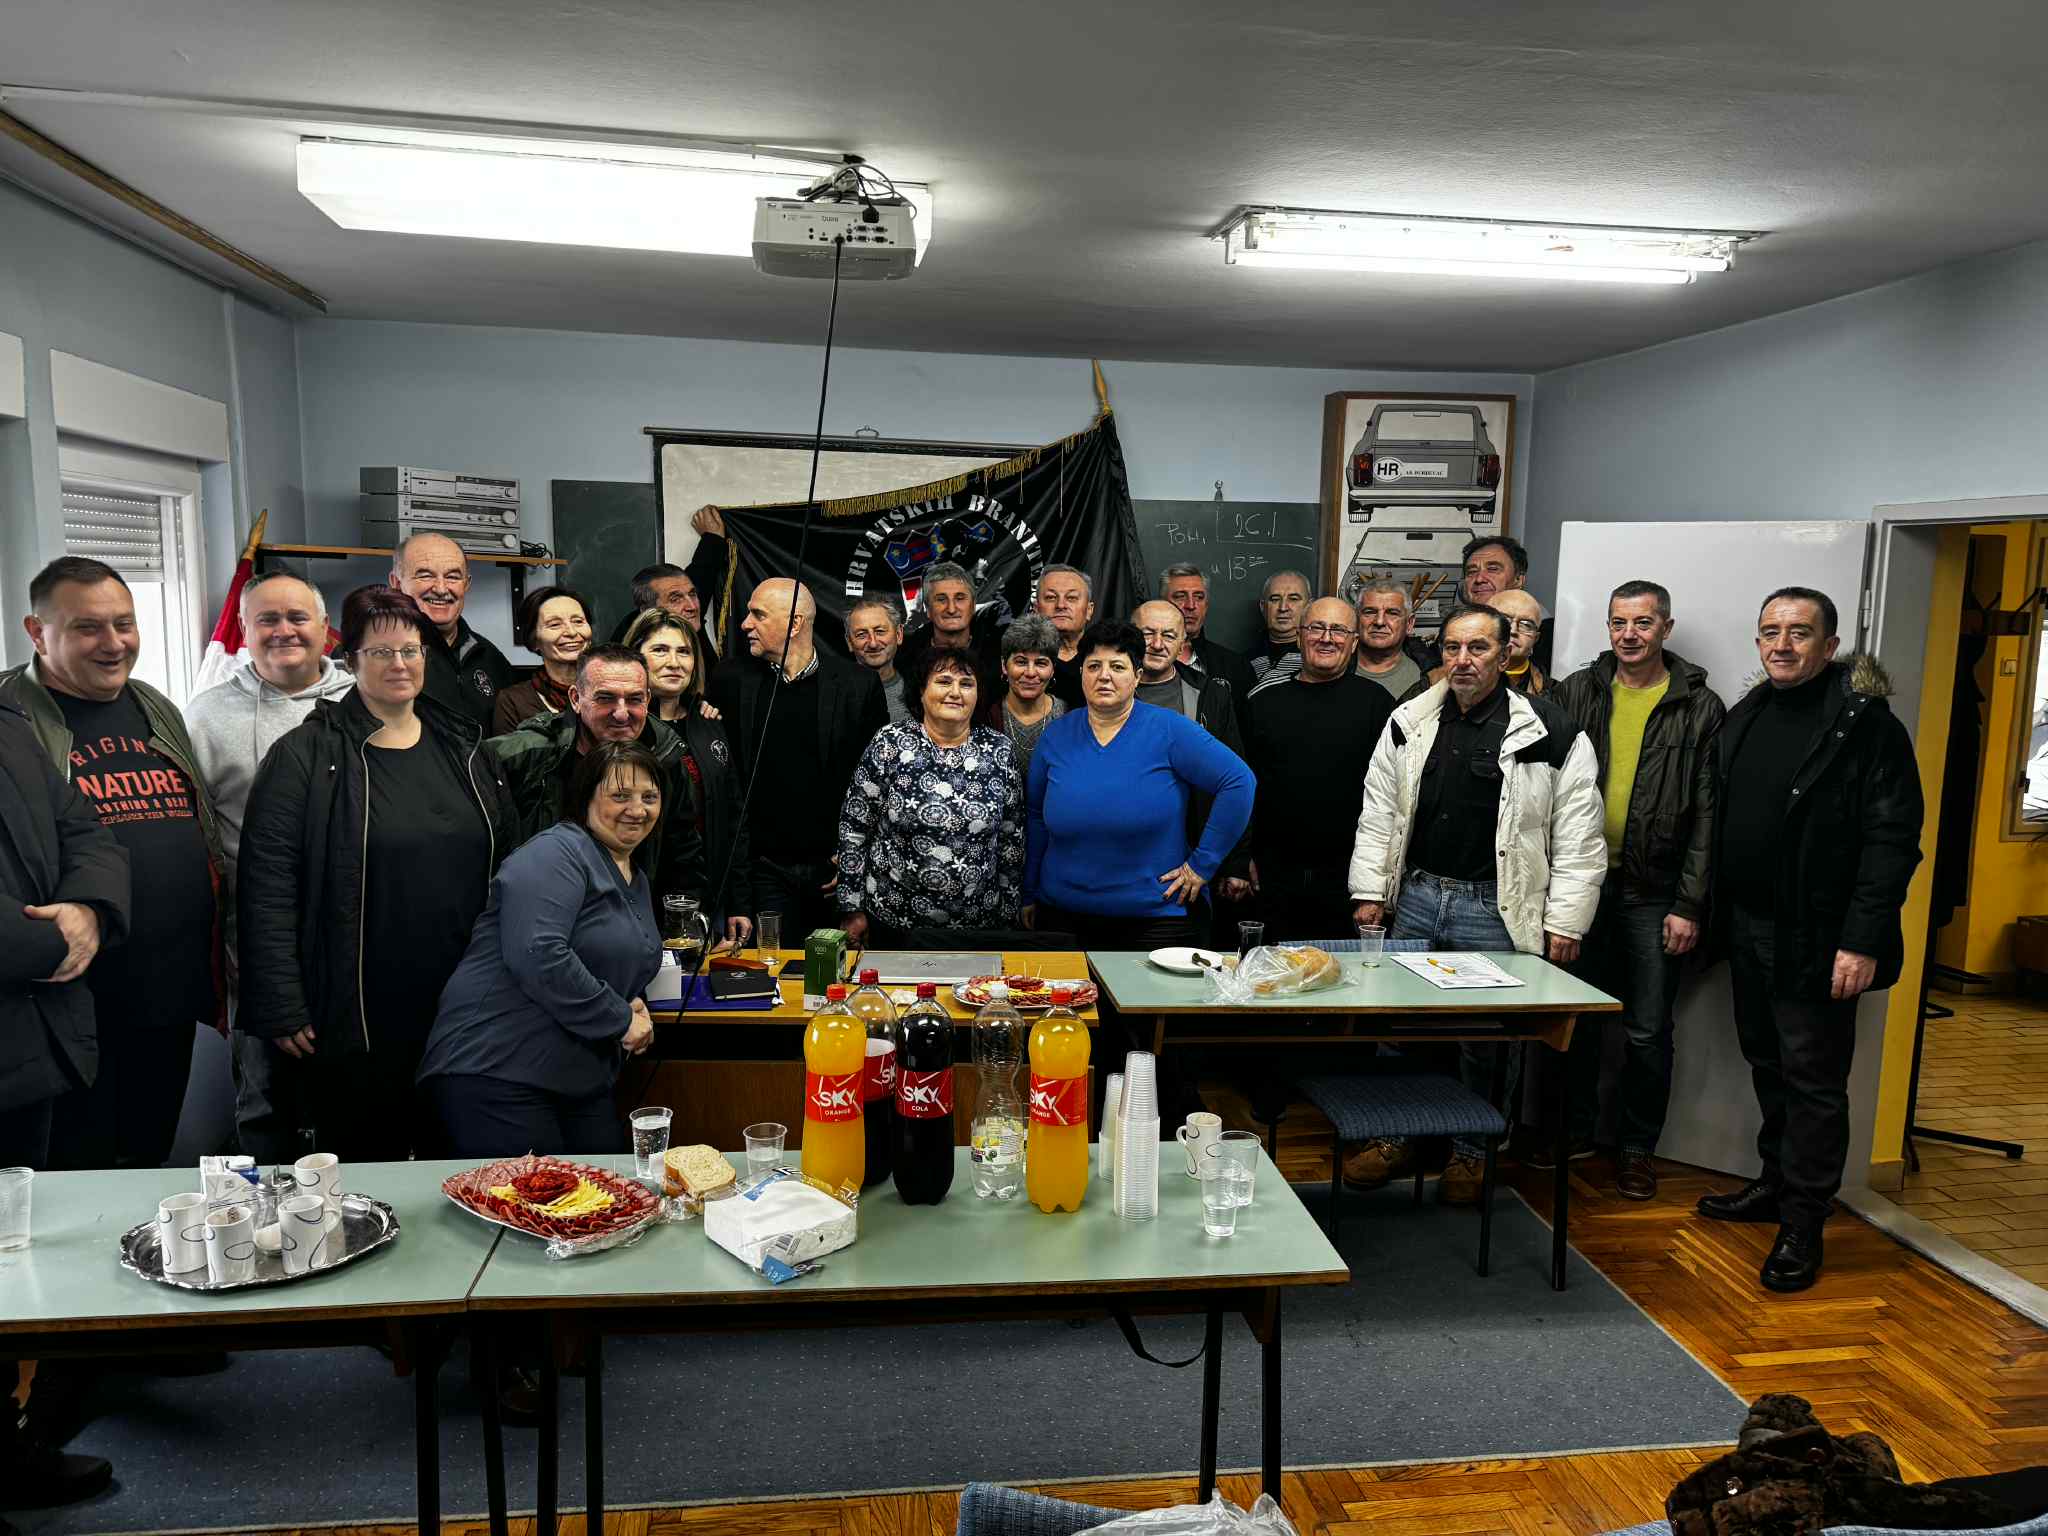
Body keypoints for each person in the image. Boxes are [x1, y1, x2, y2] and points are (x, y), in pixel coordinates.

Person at [237, 587, 518, 1161]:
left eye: (411, 651)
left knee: (459, 1159)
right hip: (358, 1006)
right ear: (349, 660)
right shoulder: (305, 756)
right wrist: (281, 1002)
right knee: (367, 1167)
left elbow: (508, 862)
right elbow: (266, 888)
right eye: (381, 652)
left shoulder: (466, 747)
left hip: (462, 1000)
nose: (400, 664)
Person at [1697, 587, 1922, 1293]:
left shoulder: (1868, 727)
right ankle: (1775, 1184)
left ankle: (1804, 1224)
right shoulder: (1748, 712)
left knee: (1815, 1084)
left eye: (1799, 632)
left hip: (1820, 939)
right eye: (1770, 631)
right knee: (1767, 1062)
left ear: (1830, 646)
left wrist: (1861, 941)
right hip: (1748, 926)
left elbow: (1892, 843)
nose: (1782, 645)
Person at [1347, 604, 1606, 1204]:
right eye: (1452, 648)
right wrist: (1369, 891)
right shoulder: (1409, 719)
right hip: (1416, 897)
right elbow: (1379, 811)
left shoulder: (1552, 731)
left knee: (1485, 1041)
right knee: (1397, 1027)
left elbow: (1579, 835)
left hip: (1493, 908)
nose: (1463, 660)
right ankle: (1394, 1137)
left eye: (1478, 648)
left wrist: (1567, 921)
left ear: (1506, 653)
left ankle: (1472, 1151)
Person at [0, 557, 224, 1170]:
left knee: (148, 1162)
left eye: (124, 624)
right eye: (88, 627)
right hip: (69, 1005)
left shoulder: (154, 704)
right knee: (77, 1175)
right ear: (37, 632)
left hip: (168, 992)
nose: (114, 643)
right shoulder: (11, 718)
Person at [1547, 581, 1725, 1201]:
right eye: (1619, 622)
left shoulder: (1699, 705)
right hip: (1582, 886)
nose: (1629, 634)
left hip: (1656, 893)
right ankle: (1571, 1133)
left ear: (1665, 629)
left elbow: (1709, 814)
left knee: (1647, 1030)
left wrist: (1689, 903)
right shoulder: (1578, 691)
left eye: (1643, 623)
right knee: (1575, 1020)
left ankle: (1636, 1148)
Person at [0, 706, 128, 1514]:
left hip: (28, 1047)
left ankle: (7, 1450)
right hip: (26, 987)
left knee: (7, 1263)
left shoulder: (7, 727)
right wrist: (58, 944)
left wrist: (88, 907)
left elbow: (87, 830)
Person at [417, 740, 662, 1156]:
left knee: (609, 1190)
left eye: (649, 798)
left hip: (577, 1078)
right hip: (497, 1068)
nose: (637, 810)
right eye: (620, 795)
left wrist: (631, 1001)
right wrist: (619, 1018)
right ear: (586, 797)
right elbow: (539, 952)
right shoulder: (555, 852)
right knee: (534, 1197)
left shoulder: (634, 877)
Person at [184, 571, 356, 1163]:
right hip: (257, 937)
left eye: (298, 618)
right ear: (244, 629)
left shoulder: (365, 702)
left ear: (325, 628)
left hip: (354, 937)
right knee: (265, 1100)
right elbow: (199, 836)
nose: (284, 631)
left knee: (357, 1100)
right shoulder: (206, 717)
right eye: (267, 619)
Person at [1025, 619, 1255, 951]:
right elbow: (1035, 816)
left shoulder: (1170, 730)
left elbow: (1239, 782)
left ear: (1137, 676)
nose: (1104, 675)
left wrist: (1202, 865)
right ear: (1081, 673)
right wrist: (1029, 891)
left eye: (1117, 666)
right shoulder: (1056, 736)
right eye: (1094, 666)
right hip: (1061, 916)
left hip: (1155, 919)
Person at [708, 578, 888, 937]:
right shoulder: (729, 680)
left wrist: (854, 861)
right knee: (770, 966)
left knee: (835, 969)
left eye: (758, 615)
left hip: (835, 870)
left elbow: (877, 786)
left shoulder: (858, 685)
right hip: (762, 872)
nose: (745, 624)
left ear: (794, 623)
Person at [489, 644, 708, 912]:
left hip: (633, 918)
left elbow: (683, 855)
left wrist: (680, 922)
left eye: (634, 699)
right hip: (543, 912)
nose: (621, 713)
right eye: (606, 698)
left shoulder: (666, 756)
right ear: (575, 698)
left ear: (648, 700)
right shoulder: (530, 754)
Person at [837, 644, 1023, 946]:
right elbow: (854, 828)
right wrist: (851, 907)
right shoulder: (890, 743)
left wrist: (1010, 913)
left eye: (966, 684)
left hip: (979, 927)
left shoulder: (999, 750)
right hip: (894, 923)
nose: (955, 692)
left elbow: (1011, 839)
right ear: (921, 691)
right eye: (944, 681)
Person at [1244, 598, 1394, 939]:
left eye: (1338, 630)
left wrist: (1376, 881)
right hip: (1272, 875)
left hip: (1349, 880)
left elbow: (1391, 797)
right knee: (1270, 966)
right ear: (1300, 637)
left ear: (1354, 642)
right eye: (1316, 628)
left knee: (1344, 970)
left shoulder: (1378, 703)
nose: (1327, 638)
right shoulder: (1261, 702)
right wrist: (1242, 856)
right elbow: (1242, 786)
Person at [623, 610, 753, 940]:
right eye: (660, 650)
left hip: (710, 900)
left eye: (684, 651)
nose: (674, 662)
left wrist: (738, 900)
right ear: (635, 656)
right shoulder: (624, 728)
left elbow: (734, 818)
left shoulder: (710, 723)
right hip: (639, 900)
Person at [1132, 599, 1252, 911]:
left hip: (1193, 850)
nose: (1157, 644)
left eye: (1169, 635)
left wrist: (1236, 862)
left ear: (1183, 642)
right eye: (1147, 633)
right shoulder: (1106, 691)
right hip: (1125, 849)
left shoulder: (1211, 694)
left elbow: (1238, 777)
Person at [389, 532, 515, 727]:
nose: (441, 589)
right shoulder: (376, 658)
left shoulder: (491, 658)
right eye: (425, 575)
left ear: (466, 584)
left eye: (453, 577)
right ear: (396, 584)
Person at [492, 585, 593, 734]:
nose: (571, 632)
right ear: (534, 641)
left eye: (578, 621)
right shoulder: (514, 702)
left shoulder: (612, 688)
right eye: (555, 625)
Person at [1162, 562, 1256, 704]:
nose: (1191, 605)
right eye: (1180, 596)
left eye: (1199, 597)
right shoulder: (1142, 661)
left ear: (1206, 605)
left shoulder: (1235, 666)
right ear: (1162, 604)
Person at [1459, 534, 1553, 673]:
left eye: (1493, 569)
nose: (1479, 579)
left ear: (1518, 580)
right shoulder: (1457, 627)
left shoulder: (1544, 630)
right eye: (1472, 572)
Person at [999, 613, 1067, 778]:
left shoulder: (1069, 716)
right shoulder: (987, 715)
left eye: (1041, 663)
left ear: (1053, 669)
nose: (1030, 673)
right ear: (1004, 666)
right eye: (1021, 662)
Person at [1354, 581, 1427, 701]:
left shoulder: (1424, 678)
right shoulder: (1335, 667)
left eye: (1392, 613)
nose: (1379, 622)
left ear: (1409, 624)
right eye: (1370, 612)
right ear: (1356, 619)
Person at [1035, 564, 1096, 708]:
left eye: (1071, 598)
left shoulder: (1105, 658)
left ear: (1089, 610)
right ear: (1036, 609)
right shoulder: (1021, 660)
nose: (1061, 605)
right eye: (1051, 597)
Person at [846, 595, 910, 723]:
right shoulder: (834, 694)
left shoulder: (921, 691)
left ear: (899, 634)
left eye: (880, 631)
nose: (873, 643)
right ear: (849, 642)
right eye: (861, 635)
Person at [1250, 569, 1310, 682]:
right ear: (1262, 606)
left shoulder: (1317, 658)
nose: (1283, 608)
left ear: (1309, 606)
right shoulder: (1243, 662)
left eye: (1293, 599)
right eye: (1275, 599)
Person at [1487, 589, 1550, 695]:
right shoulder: (1458, 681)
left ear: (1535, 639)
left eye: (1526, 625)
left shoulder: (1554, 694)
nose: (1513, 630)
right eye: (1504, 620)